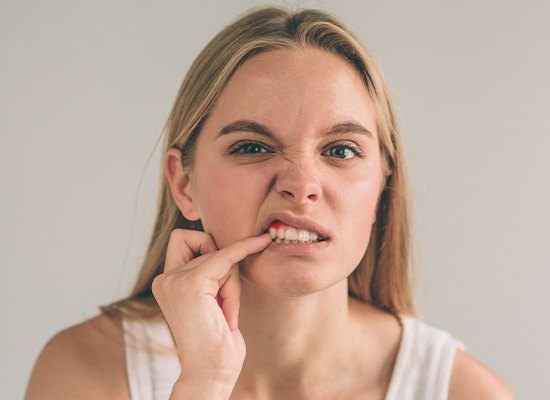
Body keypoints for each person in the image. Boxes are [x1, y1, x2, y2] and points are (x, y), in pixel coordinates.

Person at [25, 5, 515, 400]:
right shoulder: (86, 372)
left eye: (341, 150)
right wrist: (204, 384)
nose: (301, 185)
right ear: (184, 183)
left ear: (384, 186)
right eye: (252, 147)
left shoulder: (462, 392)